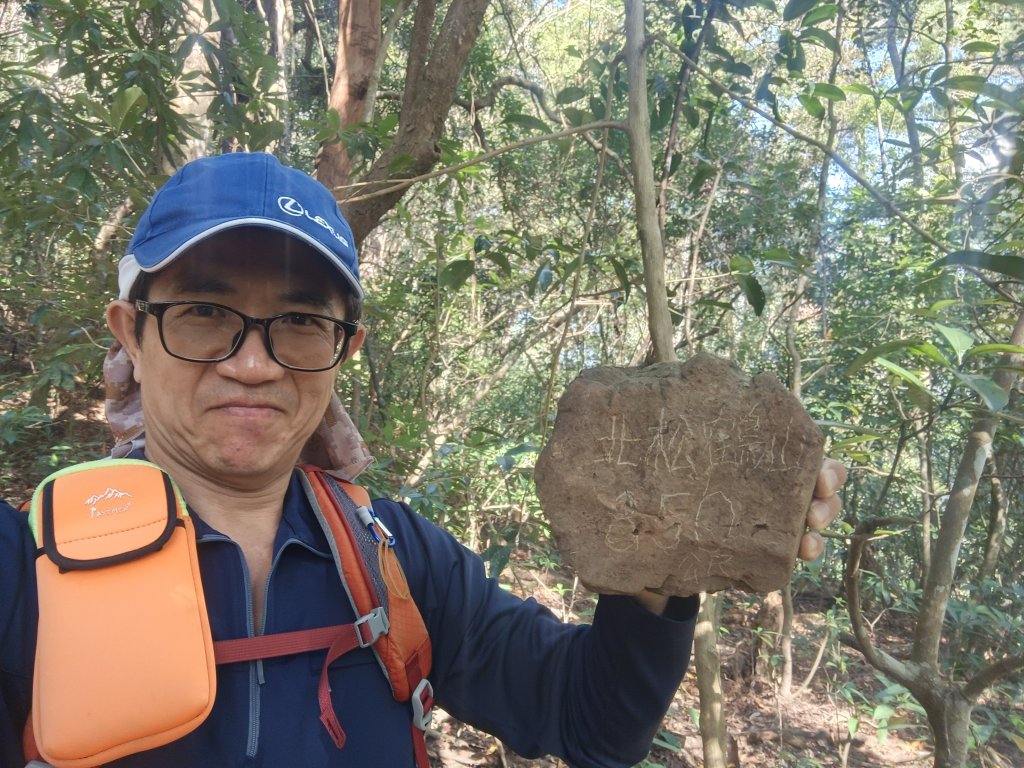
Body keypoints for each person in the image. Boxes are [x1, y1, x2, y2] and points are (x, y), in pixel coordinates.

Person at [0, 152, 845, 768]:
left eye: (298, 322)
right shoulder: (27, 572)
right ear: (131, 335)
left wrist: (667, 558)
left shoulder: (393, 557)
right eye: (202, 311)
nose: (252, 362)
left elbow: (590, 722)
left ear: (345, 349)